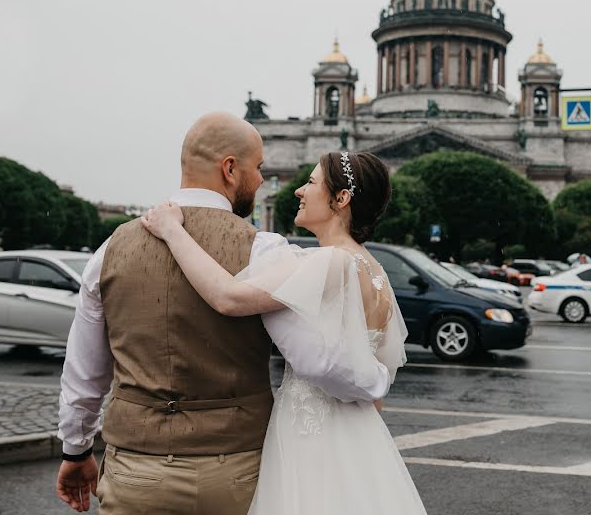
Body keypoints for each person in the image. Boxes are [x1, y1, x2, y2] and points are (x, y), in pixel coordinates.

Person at [55, 113, 395, 515]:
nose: (266, 181)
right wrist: (379, 379)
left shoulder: (110, 248)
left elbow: (84, 370)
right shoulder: (266, 250)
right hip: (234, 471)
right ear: (230, 169)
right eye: (259, 168)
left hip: (135, 469)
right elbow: (314, 358)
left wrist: (76, 450)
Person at [141, 150, 426, 514]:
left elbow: (227, 297)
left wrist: (172, 231)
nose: (298, 192)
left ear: (341, 199)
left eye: (310, 183)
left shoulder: (331, 262)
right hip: (363, 438)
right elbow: (378, 389)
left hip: (309, 438)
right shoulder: (378, 275)